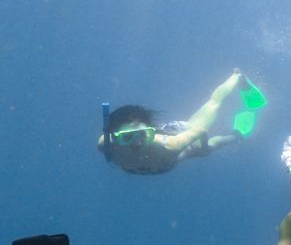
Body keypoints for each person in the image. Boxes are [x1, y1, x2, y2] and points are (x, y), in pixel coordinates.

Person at [98, 69, 266, 175]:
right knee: (208, 148)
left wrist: (204, 148)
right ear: (115, 137)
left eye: (142, 134)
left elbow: (200, 130)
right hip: (170, 161)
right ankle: (237, 135)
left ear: (151, 132)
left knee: (212, 105)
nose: (137, 143)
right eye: (127, 138)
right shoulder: (106, 145)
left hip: (176, 134)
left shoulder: (171, 144)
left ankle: (237, 78)